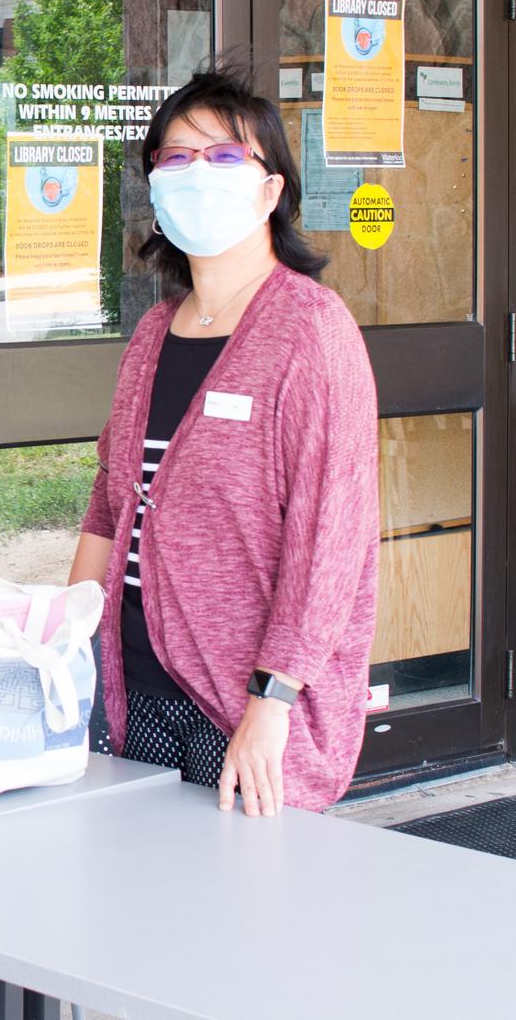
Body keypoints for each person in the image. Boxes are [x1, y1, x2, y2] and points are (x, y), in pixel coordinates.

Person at [69, 66, 378, 816]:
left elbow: (330, 542)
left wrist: (271, 702)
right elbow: (111, 505)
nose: (196, 175)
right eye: (176, 158)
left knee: (239, 915)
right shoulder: (152, 334)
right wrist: (65, 644)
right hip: (133, 683)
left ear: (271, 191)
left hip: (243, 701)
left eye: (225, 156)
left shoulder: (311, 329)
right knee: (135, 899)